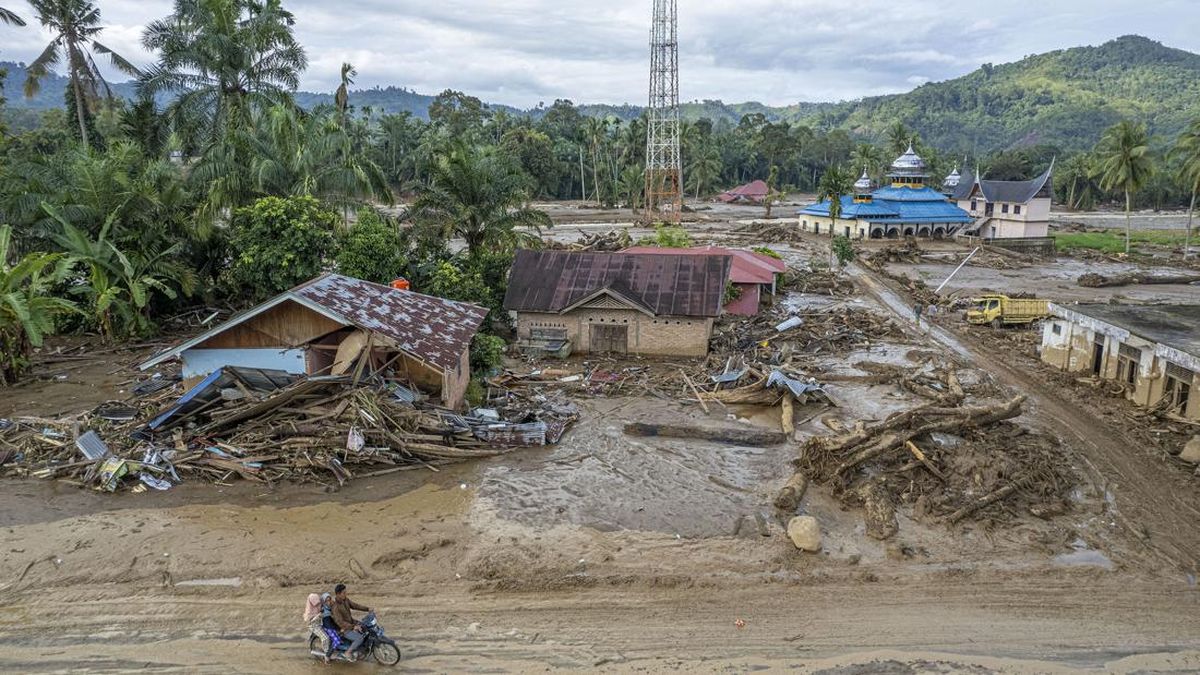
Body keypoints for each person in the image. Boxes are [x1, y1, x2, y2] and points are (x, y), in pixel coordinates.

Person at [331, 583, 373, 661]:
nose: (345, 594)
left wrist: (367, 609)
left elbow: (355, 606)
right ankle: (348, 652)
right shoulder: (335, 607)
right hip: (344, 629)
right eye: (344, 593)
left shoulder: (345, 600)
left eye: (345, 592)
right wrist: (353, 627)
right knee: (359, 638)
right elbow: (340, 622)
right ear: (338, 594)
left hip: (351, 623)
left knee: (364, 626)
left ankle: (361, 650)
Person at [304, 593, 331, 664]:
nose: (317, 604)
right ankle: (326, 656)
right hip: (314, 626)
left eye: (318, 603)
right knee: (325, 638)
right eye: (315, 603)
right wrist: (318, 616)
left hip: (320, 624)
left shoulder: (319, 605)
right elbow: (311, 620)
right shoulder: (309, 612)